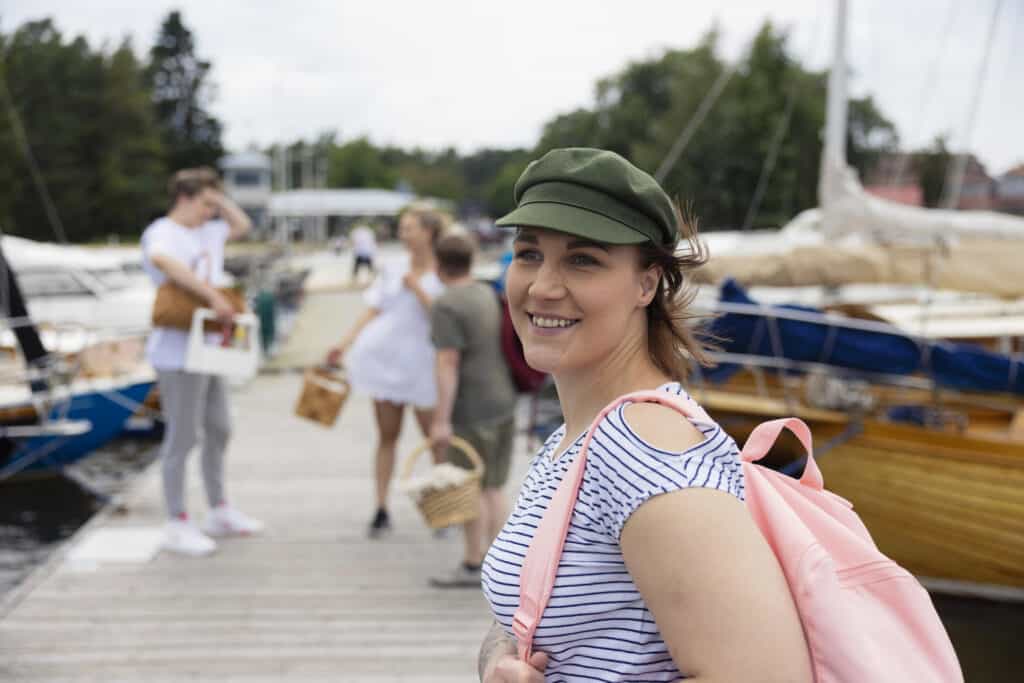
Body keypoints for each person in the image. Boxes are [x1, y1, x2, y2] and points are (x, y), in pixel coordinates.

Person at [477, 148, 813, 682]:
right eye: (529, 254)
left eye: (582, 259)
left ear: (647, 283)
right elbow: (529, 618)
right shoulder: (578, 438)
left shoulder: (644, 451)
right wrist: (500, 659)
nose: (542, 286)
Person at [142, 167, 264, 557]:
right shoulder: (162, 231)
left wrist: (219, 197)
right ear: (184, 198)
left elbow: (242, 224)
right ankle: (176, 520)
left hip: (210, 344)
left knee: (220, 426)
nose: (212, 213)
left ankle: (219, 508)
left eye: (215, 205)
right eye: (205, 204)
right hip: (177, 349)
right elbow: (166, 262)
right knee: (183, 434)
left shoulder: (209, 229)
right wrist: (211, 295)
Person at [326, 206, 446, 538]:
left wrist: (418, 288)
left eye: (409, 228)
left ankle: (443, 508)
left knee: (434, 440)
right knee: (386, 437)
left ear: (429, 232)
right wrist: (345, 342)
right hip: (385, 360)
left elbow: (445, 319)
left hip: (425, 364)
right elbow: (373, 309)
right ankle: (381, 508)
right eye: (402, 228)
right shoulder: (392, 267)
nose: (403, 234)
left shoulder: (445, 270)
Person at [427, 232, 518, 588]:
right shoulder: (486, 293)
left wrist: (440, 420)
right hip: (504, 399)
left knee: (470, 487)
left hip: (472, 407)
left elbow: (447, 362)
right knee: (494, 487)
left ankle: (473, 562)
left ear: (438, 266)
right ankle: (503, 564)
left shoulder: (446, 304)